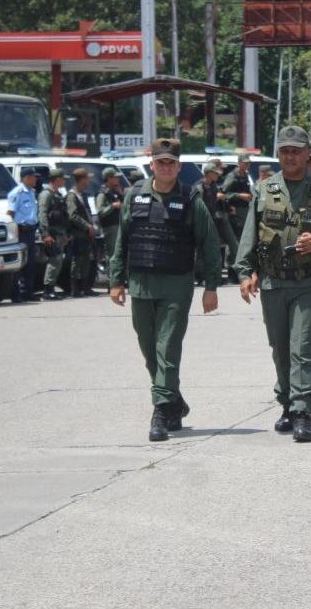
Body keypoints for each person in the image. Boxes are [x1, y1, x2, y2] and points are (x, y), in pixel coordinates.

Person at [234, 126, 311, 443]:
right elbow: (250, 234)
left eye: (295, 150)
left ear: (307, 153)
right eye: (284, 150)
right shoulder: (263, 189)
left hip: (309, 282)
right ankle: (287, 402)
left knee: (303, 348)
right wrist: (245, 272)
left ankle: (302, 411)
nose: (289, 156)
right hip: (272, 283)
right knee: (280, 349)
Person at [110, 138, 222, 442]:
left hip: (176, 285)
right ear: (152, 164)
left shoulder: (191, 199)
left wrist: (211, 286)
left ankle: (159, 411)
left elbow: (210, 245)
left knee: (167, 350)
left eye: (171, 162)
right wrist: (116, 280)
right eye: (161, 162)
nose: (166, 167)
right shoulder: (134, 196)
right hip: (141, 286)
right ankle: (174, 400)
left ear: (179, 166)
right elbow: (122, 241)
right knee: (149, 351)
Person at [196, 162, 239, 286]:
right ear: (209, 174)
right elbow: (200, 207)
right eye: (215, 173)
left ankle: (213, 276)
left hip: (213, 222)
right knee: (201, 252)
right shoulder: (200, 187)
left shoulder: (214, 185)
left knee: (213, 250)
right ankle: (199, 276)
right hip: (204, 223)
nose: (217, 176)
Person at [6, 167, 40, 303]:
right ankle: (16, 294)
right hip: (21, 231)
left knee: (30, 264)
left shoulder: (32, 192)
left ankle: (28, 292)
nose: (36, 179)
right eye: (33, 177)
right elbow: (10, 214)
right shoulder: (17, 193)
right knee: (19, 265)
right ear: (26, 178)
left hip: (31, 230)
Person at [39, 168, 69, 300]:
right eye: (63, 178)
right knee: (54, 260)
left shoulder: (57, 194)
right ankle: (48, 290)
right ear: (57, 179)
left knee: (58, 261)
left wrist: (65, 234)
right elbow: (42, 214)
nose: (64, 181)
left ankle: (51, 288)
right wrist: (45, 233)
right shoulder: (46, 194)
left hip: (59, 233)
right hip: (52, 233)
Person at [66, 168, 97, 297]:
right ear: (82, 179)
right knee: (76, 261)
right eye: (87, 178)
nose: (88, 180)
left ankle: (85, 287)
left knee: (86, 260)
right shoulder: (72, 196)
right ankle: (75, 289)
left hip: (86, 234)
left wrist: (92, 227)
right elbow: (72, 216)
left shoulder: (83, 194)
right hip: (77, 234)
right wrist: (87, 226)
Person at [95, 167, 124, 281]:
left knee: (119, 253)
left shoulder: (114, 192)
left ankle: (119, 278)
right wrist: (112, 206)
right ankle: (112, 280)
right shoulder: (103, 194)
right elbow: (100, 211)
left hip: (118, 225)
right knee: (112, 254)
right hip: (110, 227)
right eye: (115, 177)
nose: (117, 179)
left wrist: (120, 194)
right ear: (109, 179)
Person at [222, 156, 253, 237]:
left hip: (245, 209)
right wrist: (239, 195)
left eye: (248, 163)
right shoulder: (232, 176)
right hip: (235, 210)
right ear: (239, 163)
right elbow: (224, 194)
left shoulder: (245, 174)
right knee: (235, 236)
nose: (247, 165)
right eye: (245, 163)